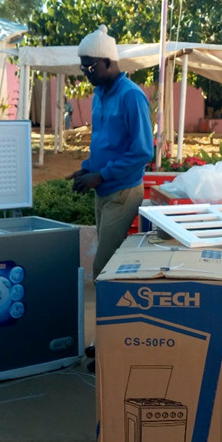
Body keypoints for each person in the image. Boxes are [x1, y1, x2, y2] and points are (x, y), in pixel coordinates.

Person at [67, 24, 153, 282]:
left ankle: (109, 308)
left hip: (123, 192)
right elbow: (104, 141)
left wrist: (101, 175)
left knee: (103, 267)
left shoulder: (131, 96)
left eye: (90, 67)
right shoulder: (99, 95)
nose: (85, 73)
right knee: (108, 263)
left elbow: (143, 151)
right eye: (83, 67)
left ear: (107, 62)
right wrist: (87, 168)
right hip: (103, 190)